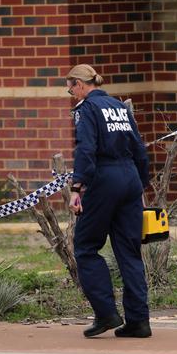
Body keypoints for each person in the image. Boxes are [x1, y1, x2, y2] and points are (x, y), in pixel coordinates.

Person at [66, 64, 151, 338]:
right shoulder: (119, 107)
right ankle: (138, 321)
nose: (70, 93)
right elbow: (138, 146)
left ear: (80, 84)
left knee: (86, 246)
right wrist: (141, 183)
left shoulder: (86, 109)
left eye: (70, 87)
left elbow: (86, 149)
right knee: (129, 252)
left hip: (105, 179)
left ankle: (106, 313)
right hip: (130, 178)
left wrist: (77, 187)